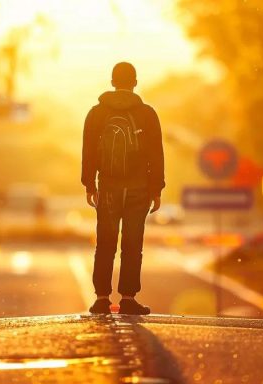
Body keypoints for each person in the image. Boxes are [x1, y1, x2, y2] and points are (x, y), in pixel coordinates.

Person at [81, 62, 165, 315]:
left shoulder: (96, 114)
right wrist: (156, 188)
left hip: (107, 187)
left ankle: (102, 298)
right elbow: (156, 154)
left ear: (112, 81)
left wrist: (89, 184)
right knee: (132, 242)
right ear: (135, 83)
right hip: (138, 187)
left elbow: (88, 152)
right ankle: (128, 298)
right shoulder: (147, 114)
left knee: (105, 242)